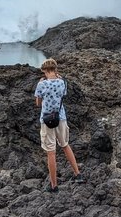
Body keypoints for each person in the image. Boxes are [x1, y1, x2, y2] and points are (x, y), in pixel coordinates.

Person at [34, 58, 84, 192]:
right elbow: (63, 95)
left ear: (44, 70)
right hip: (61, 118)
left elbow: (38, 104)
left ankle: (54, 185)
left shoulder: (42, 85)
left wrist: (40, 84)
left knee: (51, 153)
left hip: (47, 120)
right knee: (65, 145)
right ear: (55, 69)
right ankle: (78, 174)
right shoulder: (63, 83)